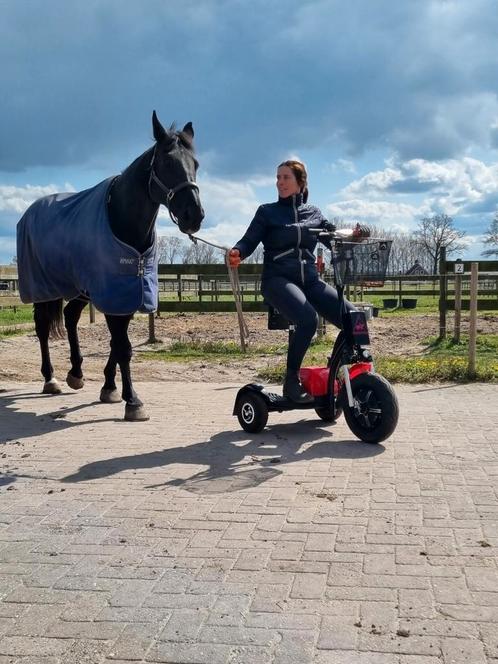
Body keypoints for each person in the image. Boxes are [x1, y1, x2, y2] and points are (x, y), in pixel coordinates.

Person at [229, 159, 363, 404]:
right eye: (278, 177)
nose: (279, 182)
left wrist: (353, 236)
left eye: (285, 177)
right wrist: (238, 252)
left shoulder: (314, 213)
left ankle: (336, 373)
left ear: (300, 182)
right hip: (277, 279)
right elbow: (248, 240)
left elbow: (333, 238)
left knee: (354, 318)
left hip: (310, 281)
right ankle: (291, 381)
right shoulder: (267, 212)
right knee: (307, 319)